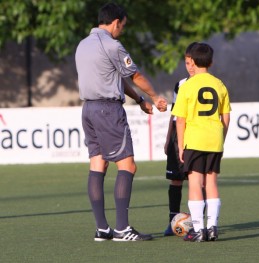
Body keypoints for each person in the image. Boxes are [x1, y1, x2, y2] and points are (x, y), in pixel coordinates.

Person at [75, 2, 167, 242]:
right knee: (128, 166)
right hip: (108, 111)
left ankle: (102, 229)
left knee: (98, 165)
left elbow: (114, 77)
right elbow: (134, 75)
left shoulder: (82, 45)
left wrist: (138, 99)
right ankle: (123, 229)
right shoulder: (112, 46)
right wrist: (154, 96)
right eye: (122, 26)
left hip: (88, 110)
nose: (122, 30)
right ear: (115, 22)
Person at [172, 42, 231, 242]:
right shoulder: (219, 84)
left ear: (194, 62)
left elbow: (180, 119)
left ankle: (198, 229)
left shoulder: (188, 86)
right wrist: (221, 137)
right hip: (214, 139)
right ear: (211, 62)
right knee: (212, 182)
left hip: (195, 139)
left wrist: (181, 146)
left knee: (196, 182)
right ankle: (213, 227)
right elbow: (226, 116)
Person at [163, 42, 197, 236]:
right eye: (187, 63)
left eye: (193, 63)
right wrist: (169, 139)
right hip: (178, 138)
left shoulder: (208, 83)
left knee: (196, 181)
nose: (190, 67)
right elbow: (175, 114)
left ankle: (197, 222)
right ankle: (172, 221)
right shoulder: (180, 84)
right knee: (176, 180)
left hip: (197, 136)